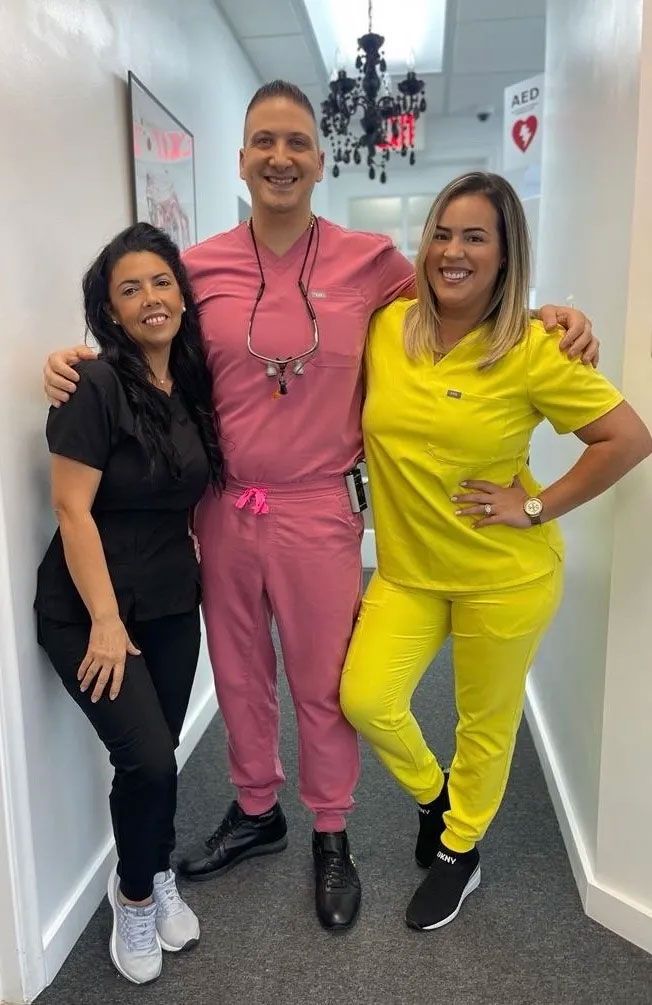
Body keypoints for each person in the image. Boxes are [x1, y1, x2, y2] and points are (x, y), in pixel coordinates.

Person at [42, 82, 599, 933]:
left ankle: (331, 833)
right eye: (264, 141)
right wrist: (69, 358)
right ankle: (255, 809)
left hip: (319, 511)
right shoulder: (198, 269)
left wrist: (548, 312)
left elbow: (461, 288)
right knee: (239, 674)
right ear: (241, 160)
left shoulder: (371, 262)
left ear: (320, 158)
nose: (280, 157)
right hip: (223, 506)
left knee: (325, 684)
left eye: (297, 142)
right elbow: (142, 336)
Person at [339, 171, 651, 933]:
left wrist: (535, 504)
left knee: (483, 722)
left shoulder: (535, 348)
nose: (453, 251)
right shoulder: (387, 326)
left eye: (475, 237)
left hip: (502, 577)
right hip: (409, 572)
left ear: (505, 254)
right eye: (442, 234)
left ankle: (460, 850)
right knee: (366, 699)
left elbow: (627, 438)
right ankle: (434, 797)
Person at [35, 223, 226, 983]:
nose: (151, 298)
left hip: (172, 599)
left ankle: (153, 864)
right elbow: (70, 508)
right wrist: (107, 622)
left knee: (161, 760)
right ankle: (136, 896)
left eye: (161, 282)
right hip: (89, 609)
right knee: (144, 758)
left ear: (181, 293)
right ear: (109, 310)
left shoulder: (191, 383)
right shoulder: (92, 385)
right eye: (130, 288)